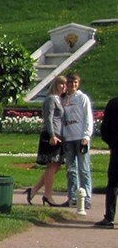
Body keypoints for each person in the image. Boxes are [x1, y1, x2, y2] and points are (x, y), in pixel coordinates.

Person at [27, 75, 67, 206]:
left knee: (56, 166)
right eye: (61, 84)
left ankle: (33, 190)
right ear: (55, 84)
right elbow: (48, 118)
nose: (64, 87)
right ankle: (48, 195)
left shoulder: (59, 100)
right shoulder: (51, 99)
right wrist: (52, 135)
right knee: (52, 165)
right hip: (51, 135)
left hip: (58, 136)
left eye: (65, 84)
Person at [61, 72, 94, 215]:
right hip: (68, 138)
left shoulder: (82, 98)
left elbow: (88, 117)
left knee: (84, 169)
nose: (72, 85)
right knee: (70, 170)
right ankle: (72, 196)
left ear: (78, 84)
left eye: (75, 83)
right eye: (70, 82)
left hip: (80, 137)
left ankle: (86, 198)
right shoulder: (64, 99)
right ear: (66, 84)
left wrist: (86, 135)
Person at [97, 95, 118, 228]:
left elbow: (105, 129)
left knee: (113, 183)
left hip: (117, 148)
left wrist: (111, 143)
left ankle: (109, 217)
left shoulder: (113, 103)